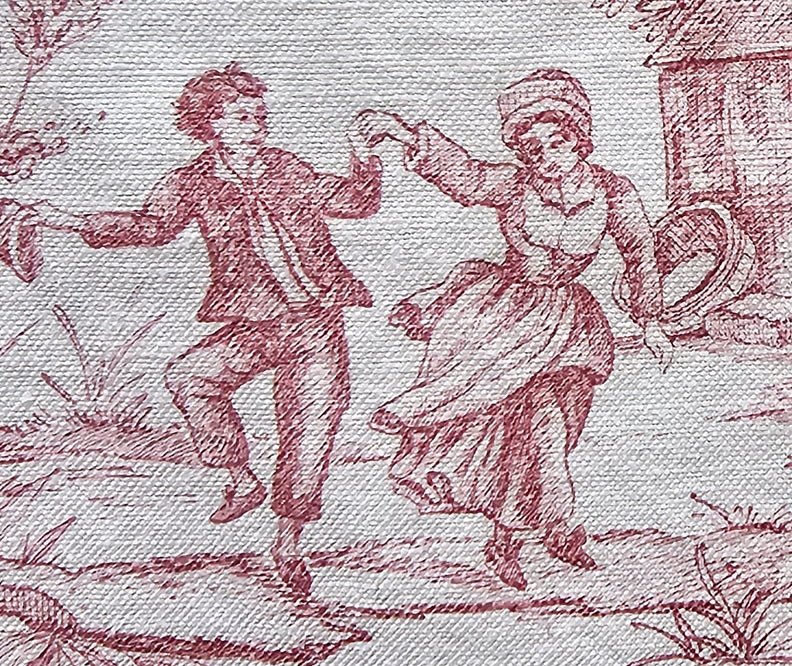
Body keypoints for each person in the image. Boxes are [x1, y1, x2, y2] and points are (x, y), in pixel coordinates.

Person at [31, 63, 383, 597]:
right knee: (188, 377)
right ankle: (239, 477)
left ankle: (288, 545)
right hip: (254, 322)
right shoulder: (190, 182)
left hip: (316, 323)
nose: (256, 125)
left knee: (310, 431)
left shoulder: (288, 168)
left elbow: (355, 203)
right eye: (242, 117)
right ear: (209, 123)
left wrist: (363, 155)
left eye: (260, 116)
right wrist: (70, 220)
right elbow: (150, 226)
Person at [355, 69, 671, 593]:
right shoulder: (514, 185)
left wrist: (651, 320)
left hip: (569, 325)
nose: (548, 155)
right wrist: (401, 132)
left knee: (552, 433)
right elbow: (464, 175)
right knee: (533, 428)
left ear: (578, 138)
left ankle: (517, 535)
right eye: (534, 147)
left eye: (557, 141)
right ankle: (551, 530)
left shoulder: (614, 192)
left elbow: (640, 255)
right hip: (504, 319)